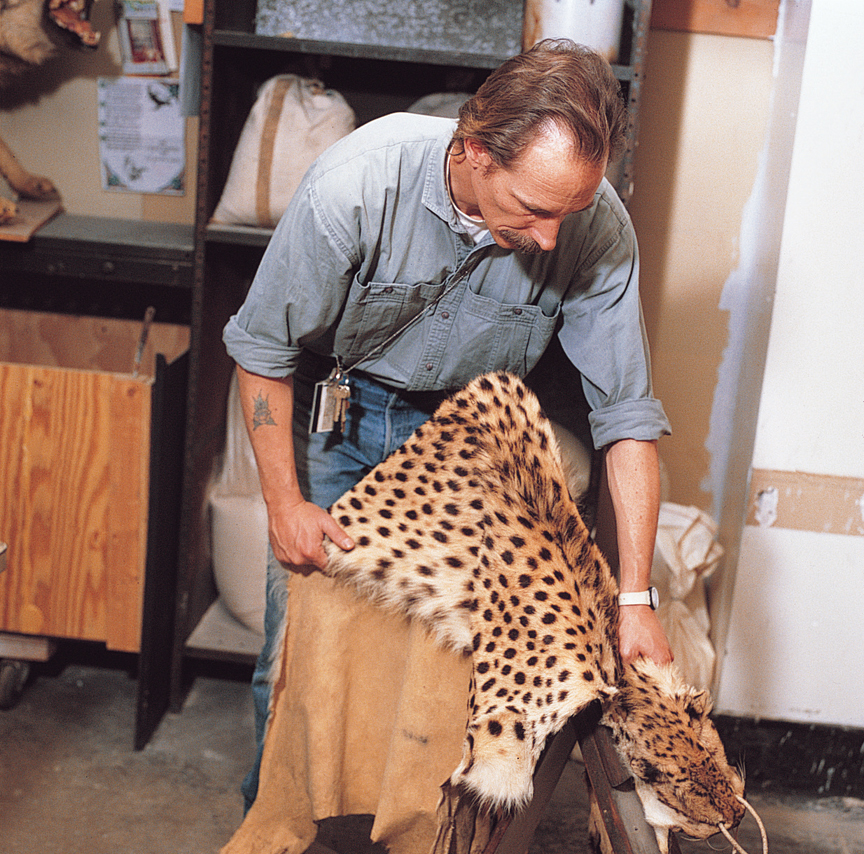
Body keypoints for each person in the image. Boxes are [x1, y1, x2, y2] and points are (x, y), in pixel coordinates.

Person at [224, 39, 673, 811]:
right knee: (297, 654)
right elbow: (261, 347)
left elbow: (626, 417)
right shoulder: (354, 185)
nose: (552, 240)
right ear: (472, 150)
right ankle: (274, 825)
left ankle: (410, 841)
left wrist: (635, 598)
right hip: (340, 416)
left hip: (469, 440)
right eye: (534, 210)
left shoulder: (593, 228)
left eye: (571, 212)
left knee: (446, 662)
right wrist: (284, 503)